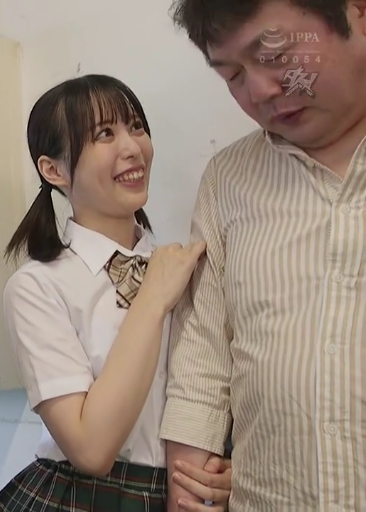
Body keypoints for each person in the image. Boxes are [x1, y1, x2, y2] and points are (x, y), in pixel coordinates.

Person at [0, 74, 232, 512]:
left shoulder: (184, 267)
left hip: (176, 495)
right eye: (104, 134)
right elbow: (90, 449)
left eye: (136, 127)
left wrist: (231, 470)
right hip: (76, 496)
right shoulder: (37, 287)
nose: (133, 147)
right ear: (54, 170)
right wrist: (152, 300)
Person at [161, 0, 366, 510]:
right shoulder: (228, 180)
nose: (258, 91)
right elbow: (202, 363)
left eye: (274, 54)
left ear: (357, 14)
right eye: (231, 75)